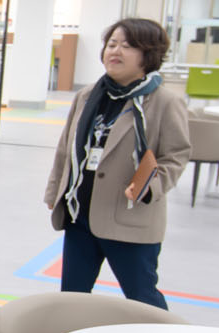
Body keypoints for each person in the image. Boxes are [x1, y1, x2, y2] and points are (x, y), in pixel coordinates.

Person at [43, 18, 191, 310]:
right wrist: (54, 191)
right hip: (80, 214)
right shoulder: (88, 95)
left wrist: (150, 187)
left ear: (149, 54)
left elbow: (176, 155)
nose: (115, 51)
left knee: (143, 298)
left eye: (127, 46)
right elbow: (65, 149)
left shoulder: (164, 102)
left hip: (129, 217)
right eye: (112, 44)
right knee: (71, 298)